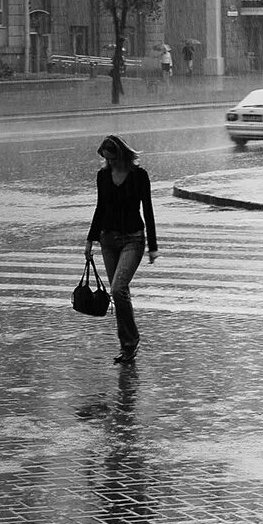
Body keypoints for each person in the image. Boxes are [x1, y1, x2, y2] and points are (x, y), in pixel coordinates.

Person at [84, 135, 159, 364]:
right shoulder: (103, 176)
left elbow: (147, 209)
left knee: (118, 288)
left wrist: (153, 247)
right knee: (120, 293)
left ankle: (131, 341)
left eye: (112, 159)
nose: (110, 163)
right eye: (106, 160)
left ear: (122, 155)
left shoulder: (139, 176)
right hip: (108, 240)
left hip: (132, 239)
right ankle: (127, 346)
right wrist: (90, 240)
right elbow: (100, 208)